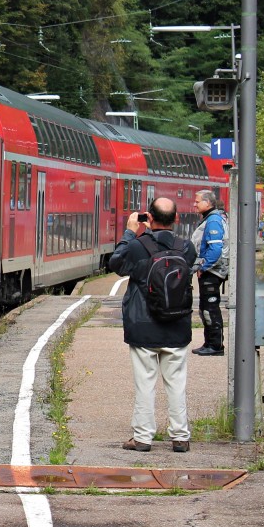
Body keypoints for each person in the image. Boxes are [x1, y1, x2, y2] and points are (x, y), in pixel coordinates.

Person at [108, 197, 195, 453]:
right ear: (177, 219)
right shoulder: (186, 248)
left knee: (145, 385)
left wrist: (129, 232)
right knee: (176, 384)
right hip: (177, 325)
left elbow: (115, 263)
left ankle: (143, 438)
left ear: (149, 218)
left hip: (143, 327)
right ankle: (180, 437)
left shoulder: (137, 247)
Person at [190, 189, 229, 356]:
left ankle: (215, 346)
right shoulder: (213, 218)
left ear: (208, 203)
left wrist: (202, 267)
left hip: (213, 272)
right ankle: (210, 343)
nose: (195, 204)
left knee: (210, 308)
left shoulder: (213, 221)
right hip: (213, 270)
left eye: (197, 201)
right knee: (206, 307)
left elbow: (215, 249)